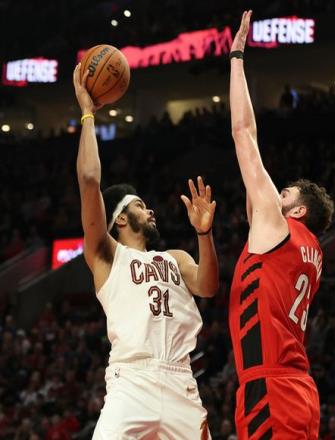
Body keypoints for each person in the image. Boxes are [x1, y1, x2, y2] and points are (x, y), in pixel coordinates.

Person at [73, 63, 219, 439]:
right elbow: (88, 179)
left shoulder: (175, 259)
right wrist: (87, 113)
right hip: (131, 382)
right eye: (140, 205)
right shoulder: (107, 257)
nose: (150, 210)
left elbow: (208, 286)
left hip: (180, 380)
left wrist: (204, 233)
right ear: (120, 218)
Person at [228, 11, 335, 440]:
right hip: (298, 390)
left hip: (271, 388)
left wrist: (236, 57)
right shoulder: (313, 251)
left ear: (299, 211)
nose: (275, 196)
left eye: (285, 193)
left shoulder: (279, 227)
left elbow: (243, 132)